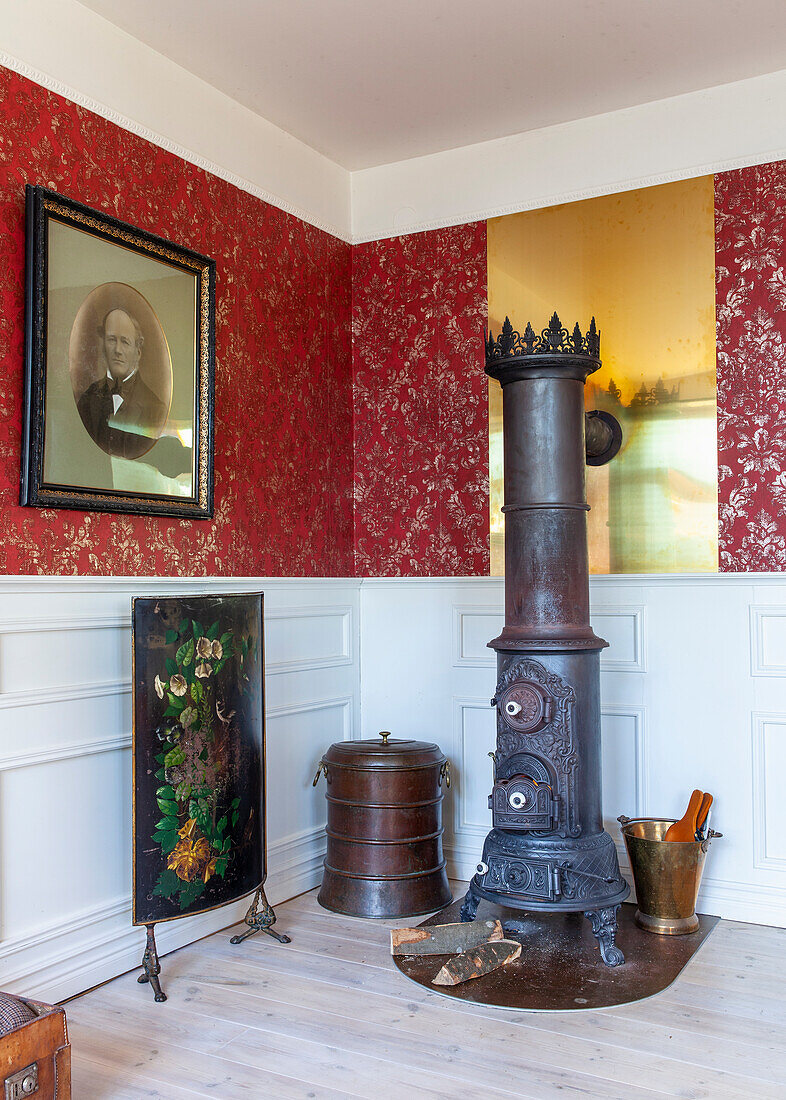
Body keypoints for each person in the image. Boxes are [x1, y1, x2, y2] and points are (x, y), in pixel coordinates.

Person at [76, 307, 167, 459]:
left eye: (125, 342)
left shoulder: (155, 409)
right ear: (104, 346)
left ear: (138, 352)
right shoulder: (87, 399)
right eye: (112, 340)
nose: (117, 350)